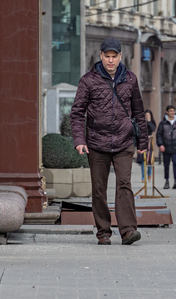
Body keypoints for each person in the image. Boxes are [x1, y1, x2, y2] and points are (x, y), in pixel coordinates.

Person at [70, 38, 147, 246]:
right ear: (101, 57)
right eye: (107, 56)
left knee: (124, 184)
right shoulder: (88, 80)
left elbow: (139, 112)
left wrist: (143, 143)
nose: (111, 60)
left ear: (120, 57)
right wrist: (79, 139)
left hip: (123, 142)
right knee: (98, 189)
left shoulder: (130, 79)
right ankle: (103, 232)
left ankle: (128, 230)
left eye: (114, 56)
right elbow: (77, 113)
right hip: (96, 143)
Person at [156, 105, 176, 189]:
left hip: (175, 146)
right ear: (167, 112)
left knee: (175, 163)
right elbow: (159, 135)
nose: (172, 112)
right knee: (166, 165)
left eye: (173, 111)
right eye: (171, 111)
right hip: (166, 146)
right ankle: (166, 180)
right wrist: (161, 144)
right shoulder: (163, 123)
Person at [136, 110, 156, 181]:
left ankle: (149, 173)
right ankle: (143, 177)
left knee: (149, 159)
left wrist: (149, 121)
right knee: (142, 160)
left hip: (149, 141)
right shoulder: (142, 123)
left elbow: (153, 129)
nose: (147, 116)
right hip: (142, 141)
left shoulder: (151, 122)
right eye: (146, 115)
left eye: (148, 115)